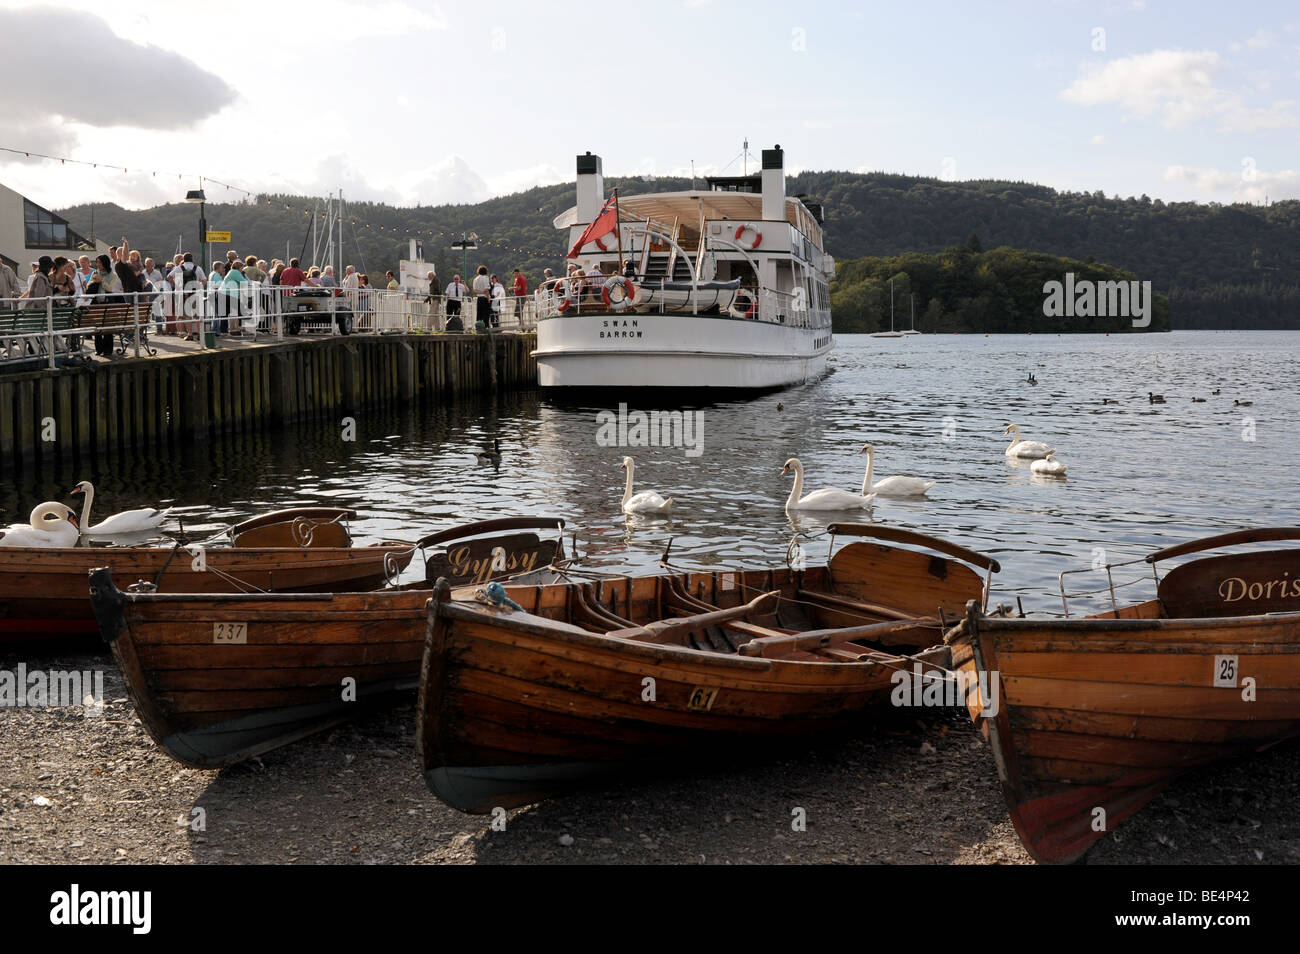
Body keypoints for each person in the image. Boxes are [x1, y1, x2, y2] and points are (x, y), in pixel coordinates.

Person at [471, 264, 491, 329]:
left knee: (479, 314)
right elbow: (487, 290)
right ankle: (486, 328)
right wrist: (488, 299)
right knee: (486, 314)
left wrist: (481, 292)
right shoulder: (486, 278)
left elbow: (475, 290)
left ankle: (479, 328)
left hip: (479, 298)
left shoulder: (476, 279)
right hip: (484, 298)